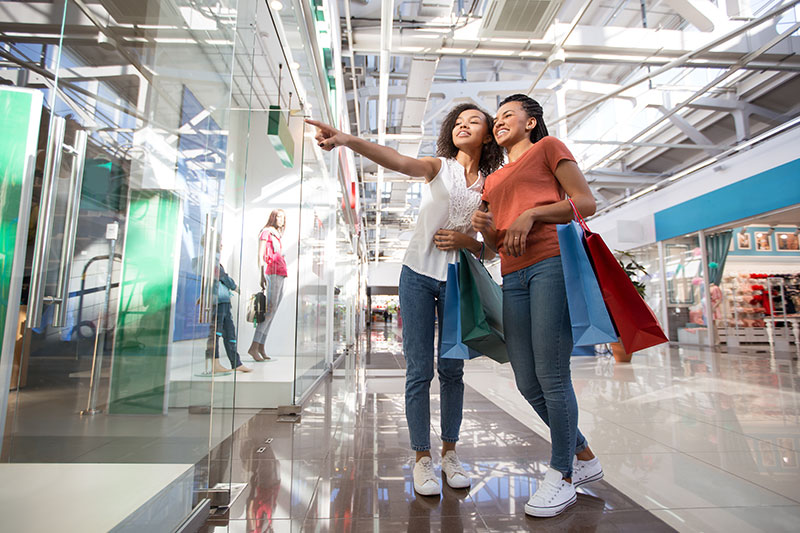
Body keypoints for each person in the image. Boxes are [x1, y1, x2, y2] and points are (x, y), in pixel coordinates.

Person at [307, 103, 503, 496]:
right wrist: (346, 140)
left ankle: (450, 452)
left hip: (456, 281)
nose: (464, 126)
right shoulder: (438, 167)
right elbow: (395, 160)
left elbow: (494, 250)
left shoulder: (493, 184)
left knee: (452, 371)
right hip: (416, 276)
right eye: (458, 122)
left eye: (474, 121)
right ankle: (421, 459)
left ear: (489, 135)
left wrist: (470, 241)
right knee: (418, 370)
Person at [471, 94, 603, 518]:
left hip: (550, 265)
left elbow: (585, 203)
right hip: (512, 275)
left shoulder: (549, 148)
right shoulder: (491, 181)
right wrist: (487, 229)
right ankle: (583, 455)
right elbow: (493, 249)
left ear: (531, 122)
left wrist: (533, 215)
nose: (499, 122)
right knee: (527, 381)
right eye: (497, 118)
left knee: (551, 373)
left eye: (509, 114)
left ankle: (562, 473)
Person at [248, 209, 287, 362]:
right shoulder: (266, 233)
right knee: (269, 312)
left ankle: (261, 345)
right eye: (279, 216)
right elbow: (260, 254)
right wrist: (261, 275)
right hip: (273, 272)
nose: (281, 220)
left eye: (283, 218)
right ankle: (254, 346)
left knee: (272, 313)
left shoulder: (278, 235)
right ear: (273, 217)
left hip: (281, 273)